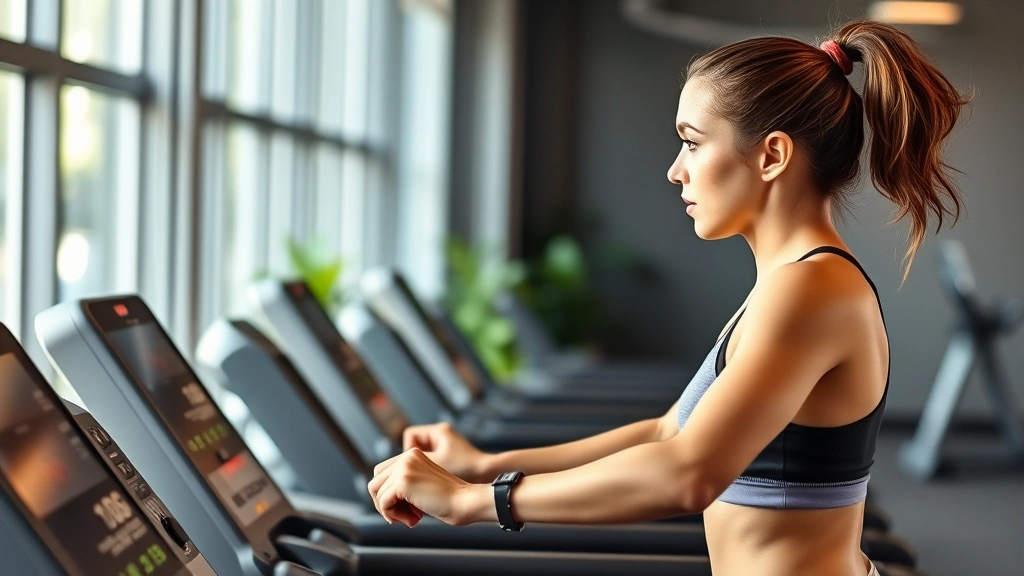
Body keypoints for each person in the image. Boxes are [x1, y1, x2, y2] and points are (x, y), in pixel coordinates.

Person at [367, 20, 968, 576]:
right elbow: (668, 434)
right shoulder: (790, 283)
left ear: (773, 155)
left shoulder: (812, 289)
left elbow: (688, 474)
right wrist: (483, 466)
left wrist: (472, 502)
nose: (676, 171)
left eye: (692, 142)